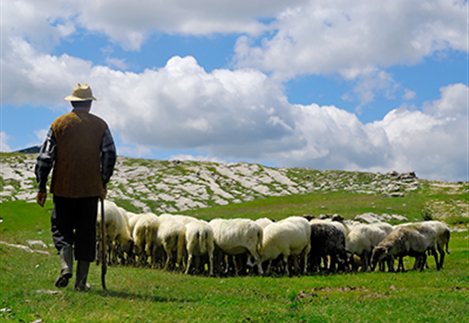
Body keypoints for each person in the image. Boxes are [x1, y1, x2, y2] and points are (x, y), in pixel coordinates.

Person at [35, 83, 117, 291]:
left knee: (61, 229)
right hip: (90, 189)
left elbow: (45, 157)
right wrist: (103, 181)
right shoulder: (100, 126)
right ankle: (81, 282)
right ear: (89, 104)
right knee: (86, 233)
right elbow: (109, 154)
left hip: (63, 188)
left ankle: (65, 266)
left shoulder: (59, 124)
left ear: (72, 102)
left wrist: (42, 186)